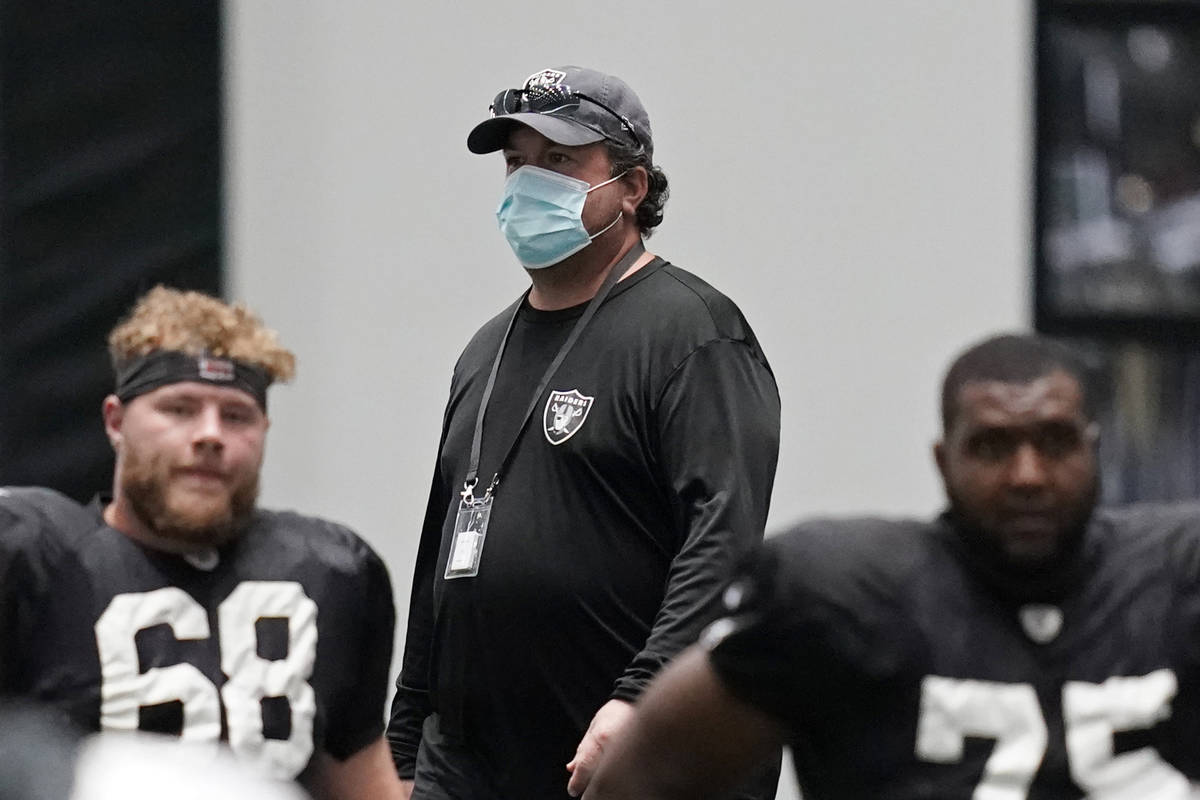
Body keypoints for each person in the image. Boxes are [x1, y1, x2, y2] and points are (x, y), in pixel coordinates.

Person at [387, 65, 781, 800]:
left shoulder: (693, 332)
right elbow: (442, 554)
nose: (528, 182)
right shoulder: (484, 349)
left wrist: (640, 696)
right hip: (474, 765)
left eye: (560, 161)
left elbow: (722, 542)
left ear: (631, 188)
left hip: (636, 757)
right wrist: (404, 745)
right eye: (516, 162)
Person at [585, 333, 1200, 799]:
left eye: (1056, 442)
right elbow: (643, 778)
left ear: (1095, 450)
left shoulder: (1178, 577)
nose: (1027, 476)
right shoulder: (845, 592)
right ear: (942, 460)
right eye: (992, 446)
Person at [0, 287, 402, 799]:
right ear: (115, 422)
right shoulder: (31, 554)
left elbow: (360, 775)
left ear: (264, 430)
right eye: (180, 409)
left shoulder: (332, 570)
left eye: (236, 415)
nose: (210, 435)